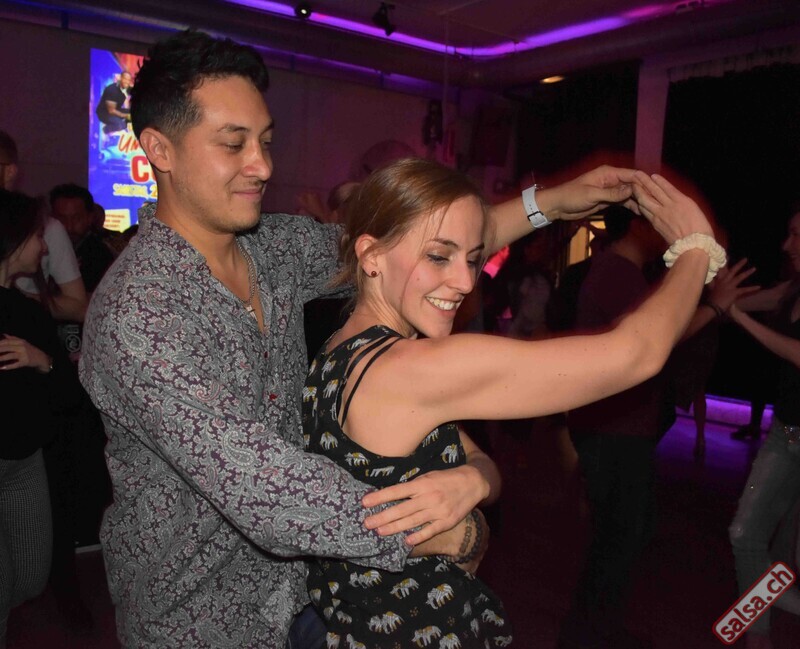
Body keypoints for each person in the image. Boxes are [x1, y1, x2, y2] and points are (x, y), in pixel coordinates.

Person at [77, 29, 639, 648]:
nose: (262, 165)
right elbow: (267, 493)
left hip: (307, 595)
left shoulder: (269, 247)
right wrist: (447, 534)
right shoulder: (140, 313)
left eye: (266, 141)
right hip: (198, 620)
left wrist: (549, 204)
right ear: (159, 149)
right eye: (233, 144)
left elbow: (412, 249)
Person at [301, 157, 725, 648]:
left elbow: (477, 459)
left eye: (472, 259)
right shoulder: (415, 369)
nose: (466, 281)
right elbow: (636, 353)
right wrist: (697, 248)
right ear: (371, 254)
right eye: (439, 257)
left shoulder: (340, 350)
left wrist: (476, 477)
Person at [0, 189, 81, 649]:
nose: (44, 245)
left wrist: (41, 360)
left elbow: (68, 394)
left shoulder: (29, 312)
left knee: (31, 577)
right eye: (36, 235)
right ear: (12, 241)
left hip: (26, 462)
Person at [727, 204, 800, 649]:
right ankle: (758, 636)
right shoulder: (794, 288)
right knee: (745, 533)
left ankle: (758, 621)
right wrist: (717, 297)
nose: (786, 244)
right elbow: (752, 300)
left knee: (787, 555)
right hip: (786, 433)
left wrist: (736, 317)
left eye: (796, 234)